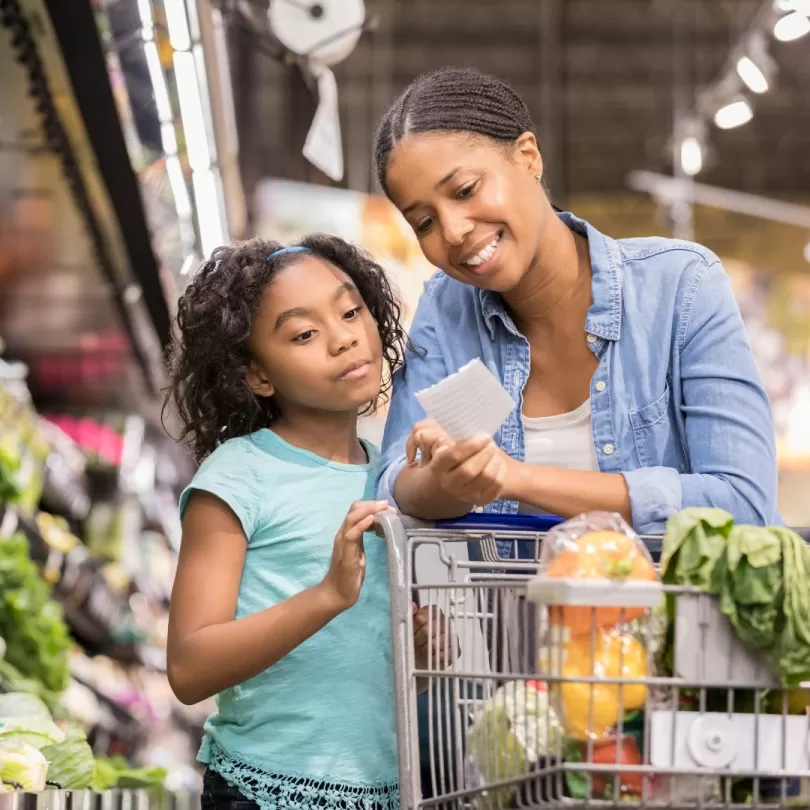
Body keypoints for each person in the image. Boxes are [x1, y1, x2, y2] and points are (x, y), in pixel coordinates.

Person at [373, 66, 780, 541]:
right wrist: (444, 482)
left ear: (527, 156)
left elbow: (741, 504)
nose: (454, 230)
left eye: (465, 191)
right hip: (503, 617)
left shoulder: (680, 288)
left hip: (675, 614)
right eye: (423, 222)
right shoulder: (445, 313)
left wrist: (516, 477)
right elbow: (394, 487)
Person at [164, 235, 448, 810]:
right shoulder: (239, 473)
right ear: (258, 377)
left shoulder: (393, 474)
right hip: (261, 790)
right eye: (304, 334)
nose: (344, 337)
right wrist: (327, 596)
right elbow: (190, 669)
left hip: (385, 791)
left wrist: (421, 650)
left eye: (350, 311)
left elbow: (353, 669)